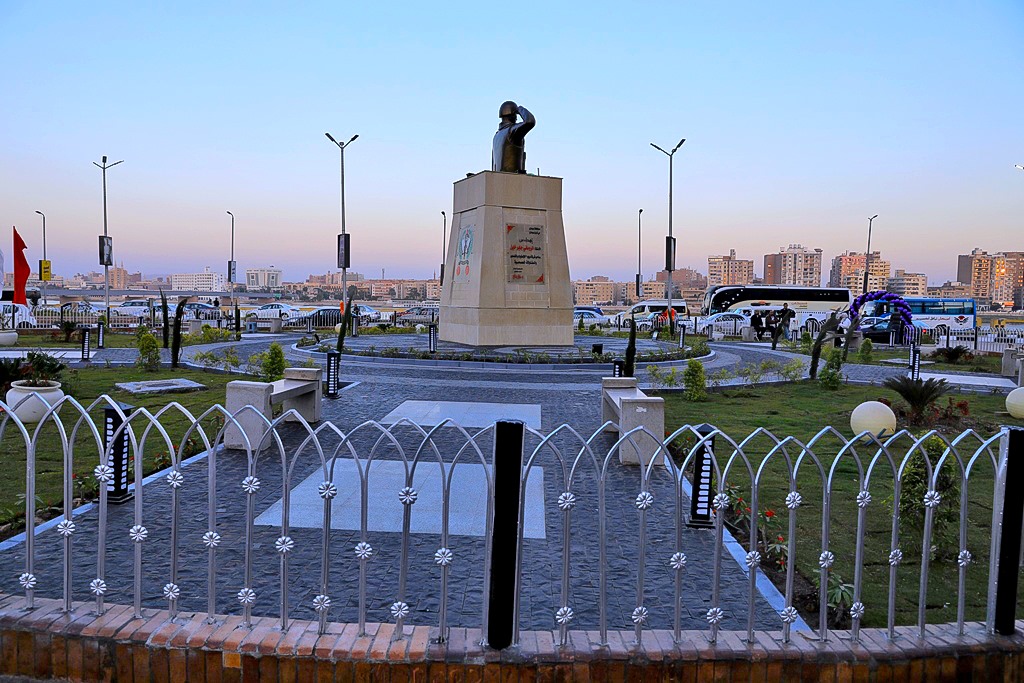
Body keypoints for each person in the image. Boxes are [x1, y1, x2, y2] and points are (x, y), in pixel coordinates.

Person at [492, 101, 536, 173]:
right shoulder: (511, 131)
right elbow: (530, 121)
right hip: (512, 177)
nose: (516, 118)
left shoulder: (496, 136)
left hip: (498, 177)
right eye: (515, 115)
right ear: (512, 115)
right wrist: (519, 109)